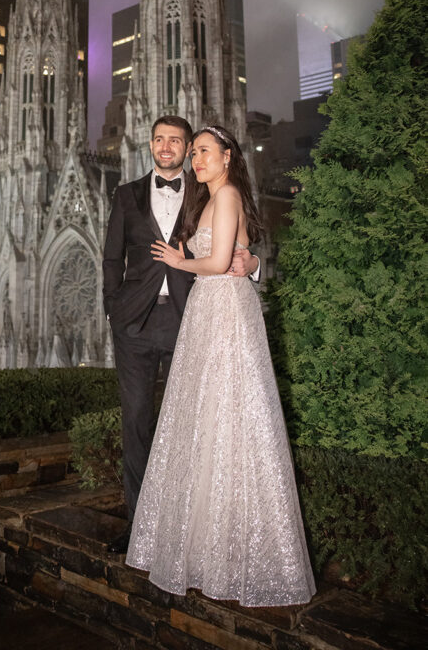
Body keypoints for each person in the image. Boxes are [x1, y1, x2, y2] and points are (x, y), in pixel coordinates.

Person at [126, 124, 315, 607]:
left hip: (222, 308)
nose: (195, 159)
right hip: (207, 311)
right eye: (194, 153)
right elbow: (231, 251)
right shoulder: (204, 198)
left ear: (228, 156)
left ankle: (233, 554)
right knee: (204, 418)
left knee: (231, 414)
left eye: (203, 151)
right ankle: (206, 549)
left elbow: (213, 262)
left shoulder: (226, 194)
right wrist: (239, 258)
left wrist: (179, 259)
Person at [102, 116, 260, 555]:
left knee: (189, 425)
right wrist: (113, 309)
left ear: (189, 147)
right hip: (133, 325)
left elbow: (242, 243)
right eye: (159, 140)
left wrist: (252, 265)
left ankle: (182, 527)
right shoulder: (126, 194)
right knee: (135, 424)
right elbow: (111, 258)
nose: (167, 147)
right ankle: (139, 527)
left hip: (191, 318)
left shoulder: (207, 187)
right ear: (149, 144)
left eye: (177, 141)